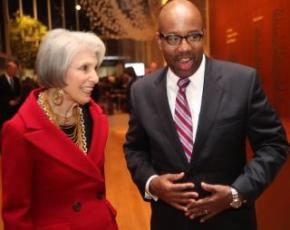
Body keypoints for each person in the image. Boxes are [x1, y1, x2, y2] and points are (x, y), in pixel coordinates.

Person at [123, 1, 289, 229]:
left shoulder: (242, 82)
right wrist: (152, 183)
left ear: (204, 34)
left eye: (193, 36)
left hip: (230, 221)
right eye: (173, 38)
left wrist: (236, 193)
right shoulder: (141, 91)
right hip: (169, 222)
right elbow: (135, 149)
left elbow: (274, 144)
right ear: (159, 40)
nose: (184, 48)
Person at [1, 29, 118, 229]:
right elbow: (16, 214)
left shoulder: (96, 118)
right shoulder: (19, 131)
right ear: (58, 71)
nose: (96, 78)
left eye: (95, 68)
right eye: (85, 68)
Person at [0, 59, 21, 129]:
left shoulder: (16, 80)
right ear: (8, 68)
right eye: (13, 69)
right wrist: (8, 101)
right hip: (4, 110)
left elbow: (18, 93)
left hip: (14, 110)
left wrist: (18, 99)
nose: (15, 71)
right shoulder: (1, 79)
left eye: (15, 69)